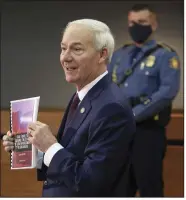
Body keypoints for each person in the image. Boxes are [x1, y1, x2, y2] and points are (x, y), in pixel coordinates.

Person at [2, 19, 136, 197]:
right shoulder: (82, 96)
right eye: (63, 48)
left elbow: (89, 182)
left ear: (102, 54)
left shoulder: (111, 107)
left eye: (77, 49)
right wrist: (32, 152)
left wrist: (50, 146)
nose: (65, 57)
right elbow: (72, 158)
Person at [108, 4, 181, 197]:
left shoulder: (165, 55)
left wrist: (132, 115)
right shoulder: (119, 55)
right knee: (120, 188)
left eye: (141, 22)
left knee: (149, 187)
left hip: (147, 132)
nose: (136, 27)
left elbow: (166, 92)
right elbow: (108, 88)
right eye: (132, 23)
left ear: (153, 24)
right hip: (120, 131)